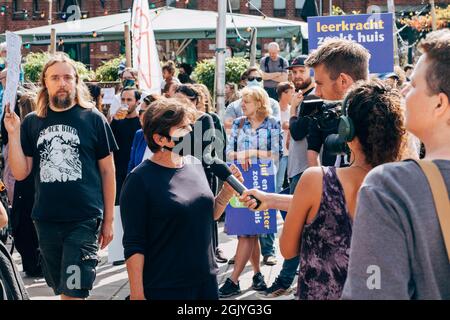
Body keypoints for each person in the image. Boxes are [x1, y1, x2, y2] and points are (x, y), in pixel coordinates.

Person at [241, 79, 407, 300]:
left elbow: (288, 249)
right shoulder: (408, 187)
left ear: (346, 129)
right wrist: (271, 200)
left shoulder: (316, 180)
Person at [342, 29, 450, 300]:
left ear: (440, 104)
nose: (403, 93)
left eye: (413, 86)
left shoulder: (390, 186)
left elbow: (373, 293)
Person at [4, 52, 118, 300]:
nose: (62, 82)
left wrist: (109, 220)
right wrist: (13, 133)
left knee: (74, 291)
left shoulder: (94, 119)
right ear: (46, 82)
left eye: (68, 77)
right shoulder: (33, 122)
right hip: (45, 221)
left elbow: (108, 171)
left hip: (84, 220)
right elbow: (21, 172)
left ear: (77, 81)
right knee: (61, 289)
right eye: (55, 77)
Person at [120, 98, 243, 300]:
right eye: (183, 129)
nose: (191, 133)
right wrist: (137, 294)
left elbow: (208, 214)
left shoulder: (194, 164)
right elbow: (134, 243)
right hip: (166, 286)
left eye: (190, 126)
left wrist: (227, 192)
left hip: (206, 280)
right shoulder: (139, 180)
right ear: (160, 139)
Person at [256, 55, 318, 300]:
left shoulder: (309, 99)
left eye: (300, 71)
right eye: (292, 72)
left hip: (306, 170)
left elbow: (298, 130)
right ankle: (297, 275)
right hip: (296, 168)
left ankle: (286, 279)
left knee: (296, 224)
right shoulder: (301, 97)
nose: (295, 76)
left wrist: (292, 109)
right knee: (297, 223)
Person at [219, 86, 283, 298]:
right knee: (246, 231)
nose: (242, 105)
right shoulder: (238, 123)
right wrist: (239, 156)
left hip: (263, 180)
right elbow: (228, 152)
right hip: (243, 180)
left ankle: (233, 280)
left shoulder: (272, 123)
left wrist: (251, 152)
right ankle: (257, 275)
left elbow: (275, 154)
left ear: (259, 103)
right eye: (242, 101)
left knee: (249, 232)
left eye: (246, 101)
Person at [304, 38, 371, 168]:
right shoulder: (333, 112)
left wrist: (327, 183)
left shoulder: (381, 118)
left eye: (319, 84)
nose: (316, 93)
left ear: (343, 81)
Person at [193, 83, 229, 264]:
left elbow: (219, 145)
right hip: (193, 169)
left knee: (212, 210)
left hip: (209, 170)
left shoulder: (211, 118)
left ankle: (214, 247)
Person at [110, 87, 142, 204]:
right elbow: (109, 144)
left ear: (137, 102)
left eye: (129, 100)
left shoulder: (142, 123)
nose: (125, 103)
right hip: (118, 172)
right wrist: (113, 120)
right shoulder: (117, 121)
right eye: (123, 100)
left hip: (136, 171)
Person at [127, 94, 161, 173]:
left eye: (143, 112)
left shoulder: (166, 138)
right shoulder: (139, 134)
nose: (140, 116)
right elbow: (132, 165)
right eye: (139, 112)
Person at [275, 82, 294, 193]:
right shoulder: (274, 108)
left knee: (284, 181)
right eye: (291, 92)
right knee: (277, 181)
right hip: (277, 151)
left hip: (290, 151)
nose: (293, 95)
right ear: (283, 93)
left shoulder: (293, 109)